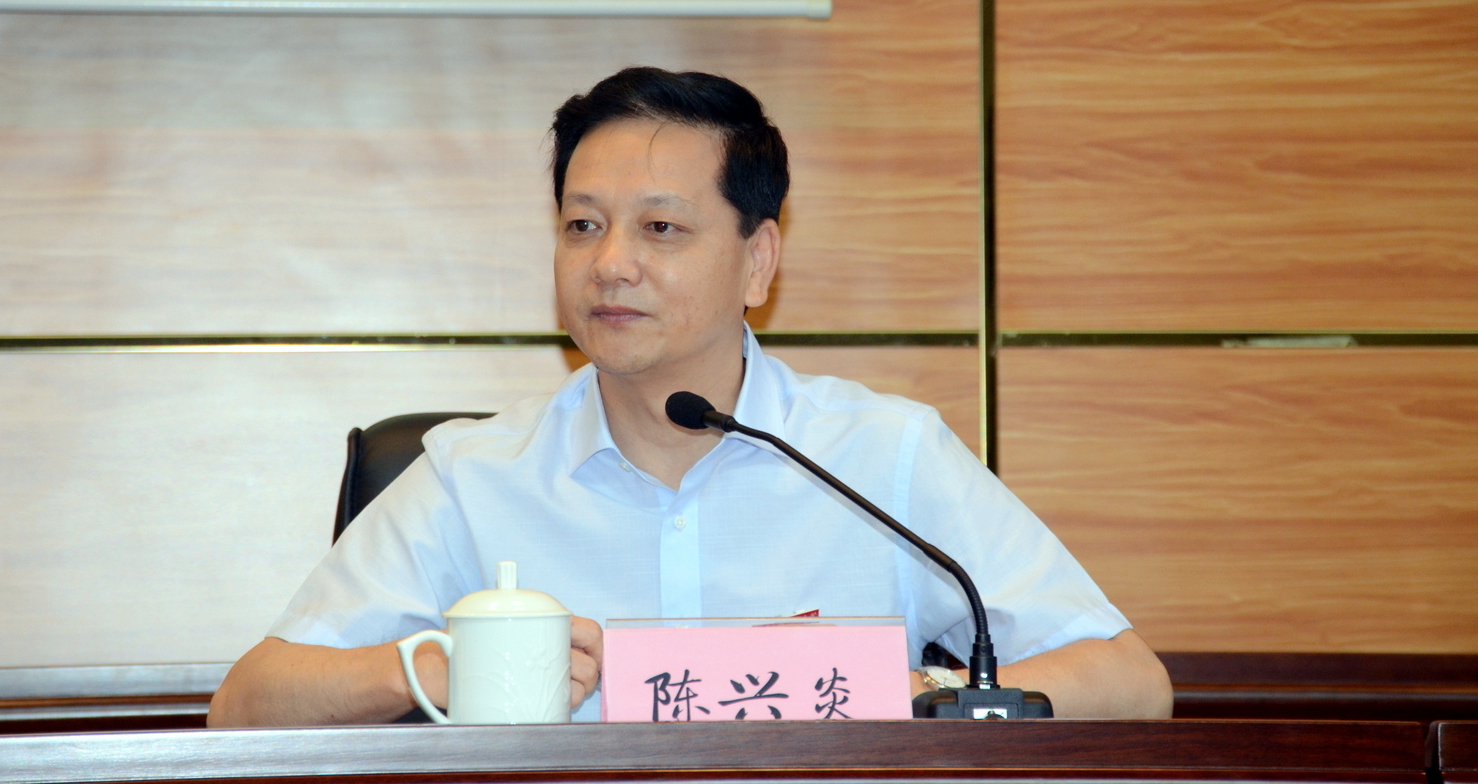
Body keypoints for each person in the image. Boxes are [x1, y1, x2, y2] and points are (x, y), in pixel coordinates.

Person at [209, 67, 1173, 727]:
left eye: (661, 228)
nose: (610, 263)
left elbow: (1128, 681)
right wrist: (430, 668)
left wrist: (920, 696)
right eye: (583, 226)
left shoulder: (884, 456)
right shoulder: (474, 477)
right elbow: (247, 704)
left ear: (758, 259)